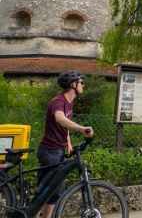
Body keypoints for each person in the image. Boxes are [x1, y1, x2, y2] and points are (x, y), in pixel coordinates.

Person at [37, 71, 94, 218]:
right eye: (81, 82)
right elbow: (60, 119)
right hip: (50, 151)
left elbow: (64, 125)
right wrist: (82, 129)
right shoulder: (58, 101)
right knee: (53, 189)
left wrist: (68, 141)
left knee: (48, 190)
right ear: (73, 85)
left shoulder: (69, 103)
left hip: (57, 150)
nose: (83, 85)